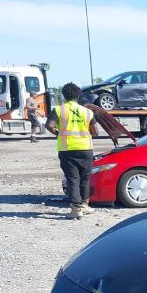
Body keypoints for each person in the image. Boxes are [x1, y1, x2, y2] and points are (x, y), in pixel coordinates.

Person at [46, 83, 98, 219]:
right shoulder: (87, 112)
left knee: (72, 179)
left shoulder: (59, 110)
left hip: (67, 149)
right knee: (85, 178)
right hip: (86, 148)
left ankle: (76, 209)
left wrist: (58, 133)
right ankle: (85, 206)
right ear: (78, 95)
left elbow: (49, 125)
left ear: (64, 95)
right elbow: (96, 132)